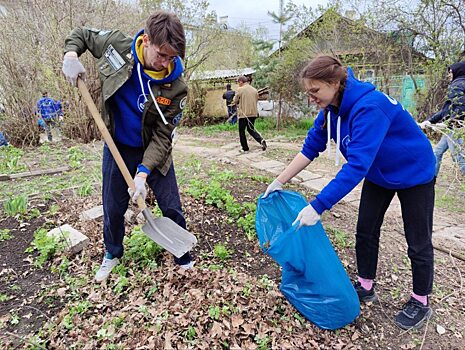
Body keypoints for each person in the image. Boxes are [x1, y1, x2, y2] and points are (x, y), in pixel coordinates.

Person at [263, 55, 436, 330]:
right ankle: (366, 284)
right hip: (380, 174)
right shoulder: (332, 110)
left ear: (334, 82)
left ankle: (420, 300)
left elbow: (356, 165)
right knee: (365, 230)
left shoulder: (369, 108)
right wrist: (279, 180)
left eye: (315, 91)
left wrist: (318, 206)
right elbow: (311, 148)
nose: (311, 99)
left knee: (418, 239)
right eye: (308, 93)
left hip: (414, 172)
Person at [62, 10, 193, 282]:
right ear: (146, 40)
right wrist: (71, 55)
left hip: (153, 152)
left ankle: (182, 257)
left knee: (171, 205)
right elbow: (83, 35)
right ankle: (112, 253)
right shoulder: (117, 47)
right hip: (117, 144)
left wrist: (144, 172)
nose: (165, 63)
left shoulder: (176, 87)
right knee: (112, 207)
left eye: (172, 57)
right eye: (161, 54)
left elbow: (163, 136)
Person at [419, 61, 465, 176]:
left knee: (459, 159)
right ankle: (432, 179)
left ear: (457, 71)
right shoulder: (460, 83)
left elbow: (461, 106)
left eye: (450, 72)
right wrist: (430, 120)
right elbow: (447, 109)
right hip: (453, 127)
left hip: (454, 128)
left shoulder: (457, 85)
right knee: (438, 152)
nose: (449, 75)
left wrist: (448, 123)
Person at [231, 76, 267, 152]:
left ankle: (245, 148)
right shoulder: (254, 90)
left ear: (241, 82)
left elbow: (235, 100)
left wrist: (234, 102)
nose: (238, 84)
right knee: (251, 129)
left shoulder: (240, 89)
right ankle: (261, 140)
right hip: (253, 113)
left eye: (238, 82)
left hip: (244, 114)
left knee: (241, 131)